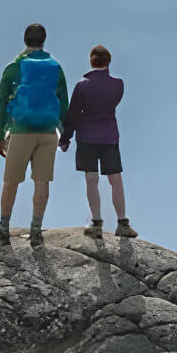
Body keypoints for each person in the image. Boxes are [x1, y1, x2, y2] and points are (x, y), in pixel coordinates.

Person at [0, 22, 69, 244]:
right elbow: (63, 101)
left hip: (21, 130)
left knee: (11, 181)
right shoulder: (55, 67)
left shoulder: (14, 67)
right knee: (42, 181)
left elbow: (0, 102)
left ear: (25, 40)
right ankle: (36, 230)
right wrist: (64, 133)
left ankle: (3, 229)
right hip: (47, 131)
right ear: (43, 40)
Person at [61, 45, 137, 238]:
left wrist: (65, 138)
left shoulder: (82, 85)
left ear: (91, 61)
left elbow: (73, 114)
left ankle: (96, 223)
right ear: (108, 61)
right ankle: (122, 222)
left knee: (91, 179)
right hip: (109, 135)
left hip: (86, 135)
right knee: (115, 179)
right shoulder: (118, 84)